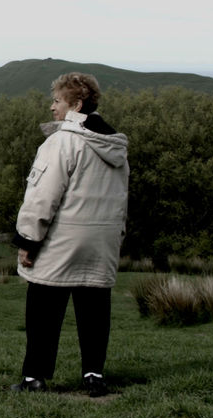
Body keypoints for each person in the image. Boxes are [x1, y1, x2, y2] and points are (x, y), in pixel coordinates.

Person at [10, 72, 129, 397]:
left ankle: (35, 376)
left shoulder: (62, 142)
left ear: (76, 105)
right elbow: (121, 198)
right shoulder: (116, 147)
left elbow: (42, 195)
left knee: (43, 309)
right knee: (94, 311)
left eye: (58, 101)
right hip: (102, 242)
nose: (52, 108)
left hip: (62, 241)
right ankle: (94, 374)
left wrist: (28, 240)